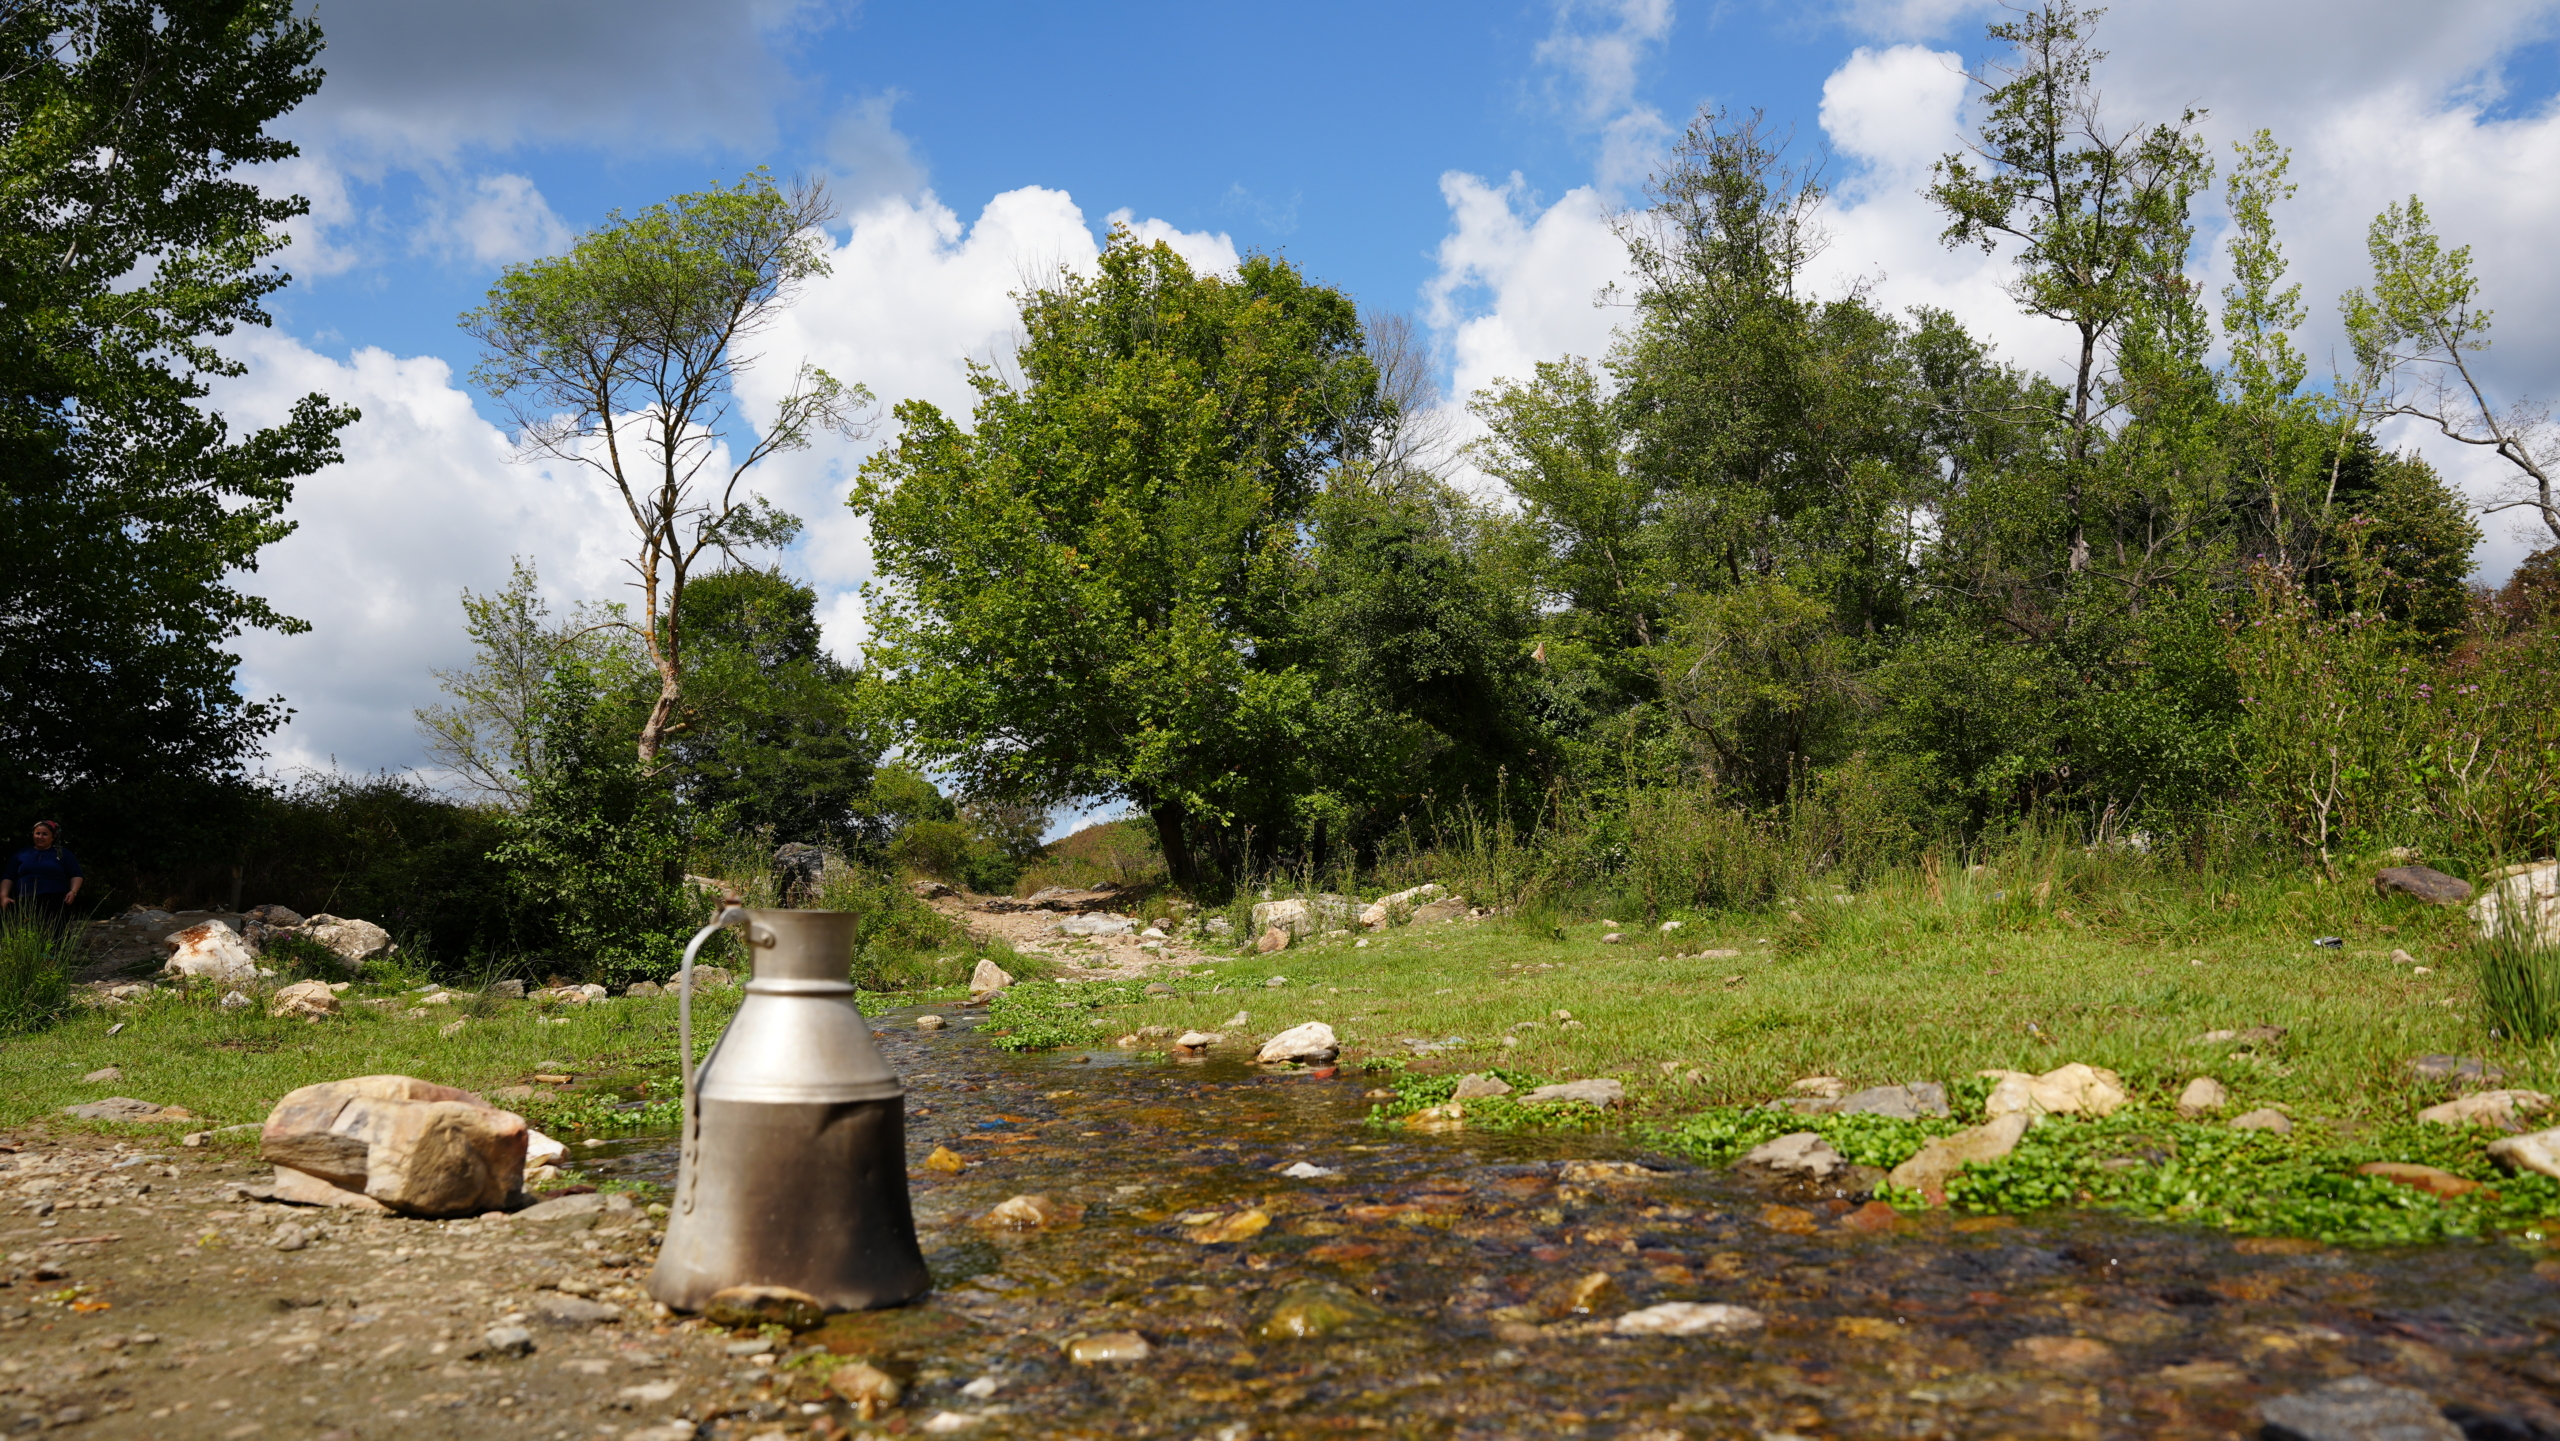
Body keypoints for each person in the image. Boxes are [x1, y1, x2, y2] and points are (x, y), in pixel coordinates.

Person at [1, 820, 83, 924]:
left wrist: (73, 892)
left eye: (45, 834)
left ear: (53, 837)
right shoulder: (21, 854)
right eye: (37, 833)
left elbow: (76, 875)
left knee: (57, 935)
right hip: (26, 900)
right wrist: (4, 896)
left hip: (57, 900)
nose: (40, 837)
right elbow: (8, 876)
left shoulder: (62, 853)